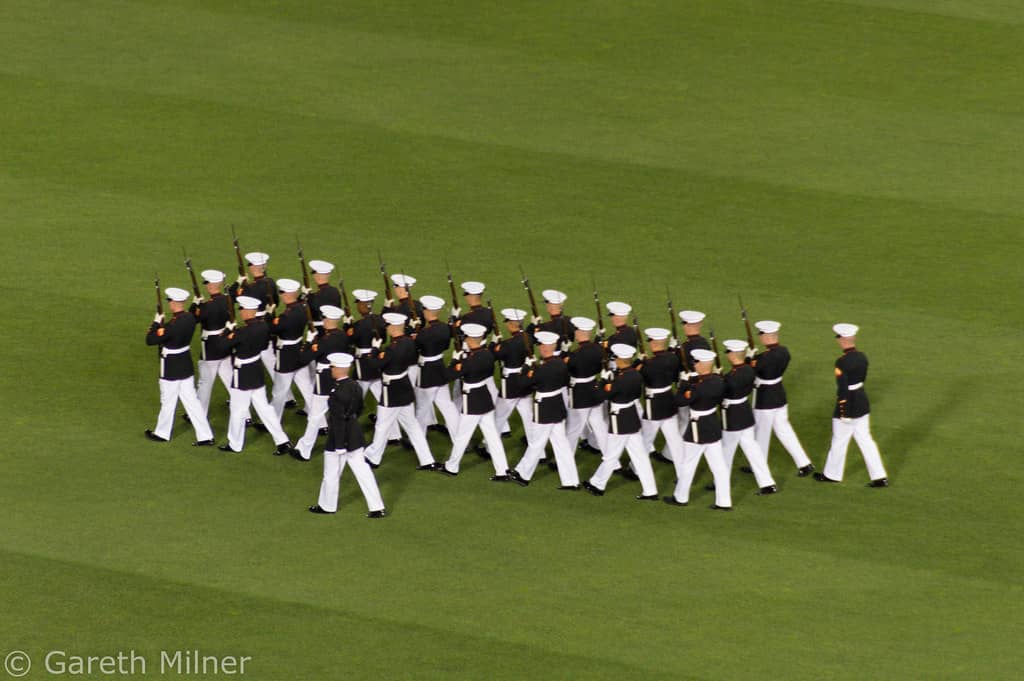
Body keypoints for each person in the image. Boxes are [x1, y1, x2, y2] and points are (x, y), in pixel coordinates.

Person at [308, 352, 387, 518]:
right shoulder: (354, 386)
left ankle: (327, 505)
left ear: (339, 369)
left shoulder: (337, 391)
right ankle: (377, 506)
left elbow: (337, 420)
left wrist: (339, 445)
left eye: (333, 366)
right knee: (363, 471)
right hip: (354, 434)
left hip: (340, 438)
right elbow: (359, 409)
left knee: (331, 473)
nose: (331, 369)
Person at [214, 296, 294, 455]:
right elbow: (264, 345)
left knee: (237, 409)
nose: (241, 313)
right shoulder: (263, 327)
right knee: (264, 408)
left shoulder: (241, 332)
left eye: (242, 310)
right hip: (256, 370)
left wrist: (228, 331)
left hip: (242, 373)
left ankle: (235, 443)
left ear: (248, 311)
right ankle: (283, 441)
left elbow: (220, 346)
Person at [815, 324, 889, 487]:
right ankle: (879, 476)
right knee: (866, 440)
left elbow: (842, 389)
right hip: (862, 401)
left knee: (839, 440)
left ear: (842, 340)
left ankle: (832, 474)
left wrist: (844, 411)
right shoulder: (863, 357)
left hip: (849, 404)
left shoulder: (842, 362)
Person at [362, 312, 439, 470]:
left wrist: (375, 349)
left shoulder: (392, 349)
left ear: (392, 327)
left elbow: (375, 364)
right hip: (404, 387)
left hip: (392, 391)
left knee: (382, 426)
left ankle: (374, 457)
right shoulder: (410, 343)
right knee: (412, 426)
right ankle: (427, 460)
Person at [583, 344, 658, 500]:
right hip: (631, 416)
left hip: (620, 419)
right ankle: (650, 490)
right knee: (640, 456)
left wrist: (603, 381)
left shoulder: (621, 380)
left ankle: (598, 484)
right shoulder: (636, 376)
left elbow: (599, 396)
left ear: (619, 359)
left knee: (611, 455)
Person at [439, 323, 511, 481]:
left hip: (472, 400)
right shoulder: (487, 355)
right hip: (484, 397)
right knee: (492, 437)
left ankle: (452, 466)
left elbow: (447, 376)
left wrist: (454, 361)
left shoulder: (469, 361)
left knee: (462, 436)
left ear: (470, 340)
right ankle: (502, 470)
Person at [144, 287, 214, 446]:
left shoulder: (171, 326)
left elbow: (150, 340)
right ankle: (205, 435)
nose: (169, 304)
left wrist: (156, 323)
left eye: (169, 301)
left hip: (170, 367)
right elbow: (190, 315)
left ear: (174, 302)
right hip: (185, 364)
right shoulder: (189, 318)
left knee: (168, 400)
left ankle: (162, 433)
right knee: (192, 402)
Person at [509, 331, 579, 489]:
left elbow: (521, 383)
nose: (542, 348)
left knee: (536, 442)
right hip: (557, 406)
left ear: (545, 348)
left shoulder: (542, 368)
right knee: (562, 445)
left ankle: (523, 474)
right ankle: (571, 481)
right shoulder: (561, 364)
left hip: (544, 408)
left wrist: (527, 367)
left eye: (542, 346)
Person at [666, 348, 732, 510]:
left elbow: (680, 401)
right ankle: (724, 501)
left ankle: (681, 497)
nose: (694, 364)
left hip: (698, 427)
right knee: (719, 466)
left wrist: (684, 384)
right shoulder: (718, 381)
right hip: (712, 424)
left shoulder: (697, 387)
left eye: (696, 362)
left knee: (688, 464)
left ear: (703, 365)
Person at [752, 320, 815, 476]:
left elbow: (751, 370)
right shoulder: (784, 351)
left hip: (765, 397)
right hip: (779, 394)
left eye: (761, 335)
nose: (760, 338)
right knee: (785, 431)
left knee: (762, 432)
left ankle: (759, 465)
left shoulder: (764, 358)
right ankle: (804, 463)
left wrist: (750, 358)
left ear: (767, 336)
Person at [293, 305, 350, 461]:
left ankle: (304, 450)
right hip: (339, 377)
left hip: (324, 379)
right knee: (339, 414)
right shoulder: (342, 336)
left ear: (326, 320)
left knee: (315, 416)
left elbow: (303, 358)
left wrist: (309, 342)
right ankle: (344, 444)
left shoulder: (324, 340)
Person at [720, 340, 778, 495]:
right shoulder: (749, 370)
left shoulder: (731, 377)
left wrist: (716, 377)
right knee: (752, 449)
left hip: (732, 415)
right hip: (745, 412)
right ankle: (767, 483)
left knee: (726, 449)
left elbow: (720, 392)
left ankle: (721, 482)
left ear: (732, 355)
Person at [413, 295, 460, 433]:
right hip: (440, 368)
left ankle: (419, 438)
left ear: (426, 311)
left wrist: (414, 332)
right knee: (448, 407)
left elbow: (416, 347)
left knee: (422, 409)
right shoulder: (445, 328)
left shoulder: (424, 333)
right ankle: (459, 438)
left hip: (426, 372)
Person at [269, 278, 314, 419]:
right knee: (307, 389)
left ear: (287, 295)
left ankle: (273, 420)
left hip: (286, 356)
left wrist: (270, 314)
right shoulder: (303, 308)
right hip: (300, 350)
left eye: (281, 292)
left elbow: (272, 329)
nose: (280, 295)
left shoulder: (286, 316)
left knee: (279, 391)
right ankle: (322, 423)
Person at [190, 269, 233, 416]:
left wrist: (195, 305)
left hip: (210, 346)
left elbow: (192, 320)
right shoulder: (227, 300)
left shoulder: (208, 306)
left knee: (205, 382)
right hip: (225, 342)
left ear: (210, 286)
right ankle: (246, 415)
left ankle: (199, 413)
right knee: (230, 380)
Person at [639, 327, 685, 465]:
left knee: (646, 439)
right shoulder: (674, 358)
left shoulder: (649, 364)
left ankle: (636, 469)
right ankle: (683, 473)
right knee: (675, 440)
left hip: (654, 404)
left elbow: (639, 380)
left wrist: (639, 364)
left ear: (652, 343)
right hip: (669, 400)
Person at [564, 317, 609, 455]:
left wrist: (565, 352)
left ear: (579, 333)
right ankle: (613, 462)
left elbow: (566, 367)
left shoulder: (576, 355)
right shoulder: (599, 349)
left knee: (573, 429)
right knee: (599, 427)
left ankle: (566, 458)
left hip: (579, 394)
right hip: (594, 389)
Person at [230, 252, 278, 375]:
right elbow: (275, 302)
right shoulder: (271, 282)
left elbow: (231, 296)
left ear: (252, 267)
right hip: (267, 323)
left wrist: (238, 283)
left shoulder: (250, 288)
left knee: (249, 358)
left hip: (253, 325)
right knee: (271, 360)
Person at [492, 308, 536, 441]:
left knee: (499, 416)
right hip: (525, 379)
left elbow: (493, 355)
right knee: (529, 418)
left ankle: (488, 447)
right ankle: (540, 454)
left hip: (510, 383)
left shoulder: (508, 344)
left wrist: (495, 343)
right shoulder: (529, 338)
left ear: (511, 324)